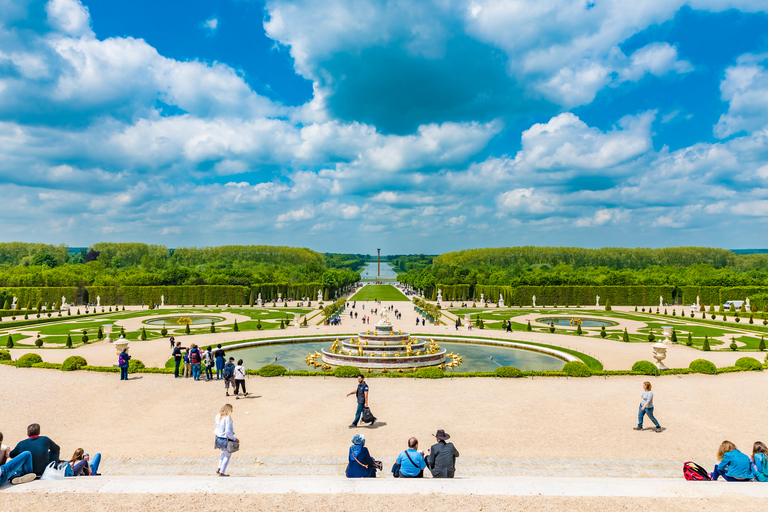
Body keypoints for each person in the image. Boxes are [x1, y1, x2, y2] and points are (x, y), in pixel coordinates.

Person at [213, 404, 238, 477]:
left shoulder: (218, 416)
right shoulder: (228, 418)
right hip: (225, 438)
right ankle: (222, 471)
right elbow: (228, 431)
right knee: (228, 455)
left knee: (224, 453)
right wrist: (234, 439)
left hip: (218, 437)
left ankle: (219, 467)